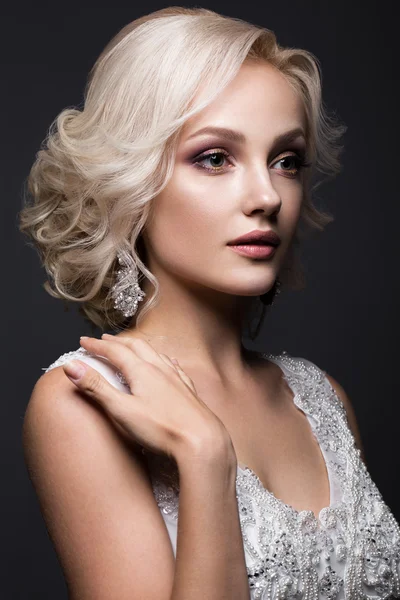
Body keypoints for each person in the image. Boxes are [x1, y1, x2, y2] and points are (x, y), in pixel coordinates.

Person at [18, 7, 400, 600]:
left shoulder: (322, 398)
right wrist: (204, 457)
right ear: (133, 182)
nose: (267, 196)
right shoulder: (83, 401)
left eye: (286, 160)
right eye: (215, 158)